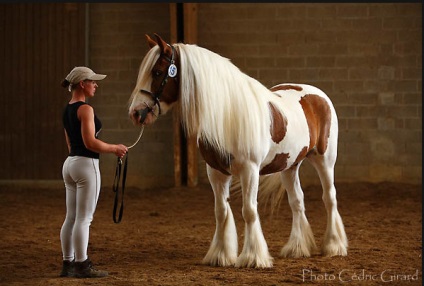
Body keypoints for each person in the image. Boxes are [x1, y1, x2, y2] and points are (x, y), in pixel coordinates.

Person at [59, 66, 128, 278]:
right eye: (93, 81)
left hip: (70, 164)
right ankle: (82, 264)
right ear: (82, 83)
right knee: (84, 219)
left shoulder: (67, 109)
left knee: (71, 217)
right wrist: (115, 148)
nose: (96, 85)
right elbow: (90, 142)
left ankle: (68, 263)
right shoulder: (85, 109)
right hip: (86, 165)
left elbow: (70, 142)